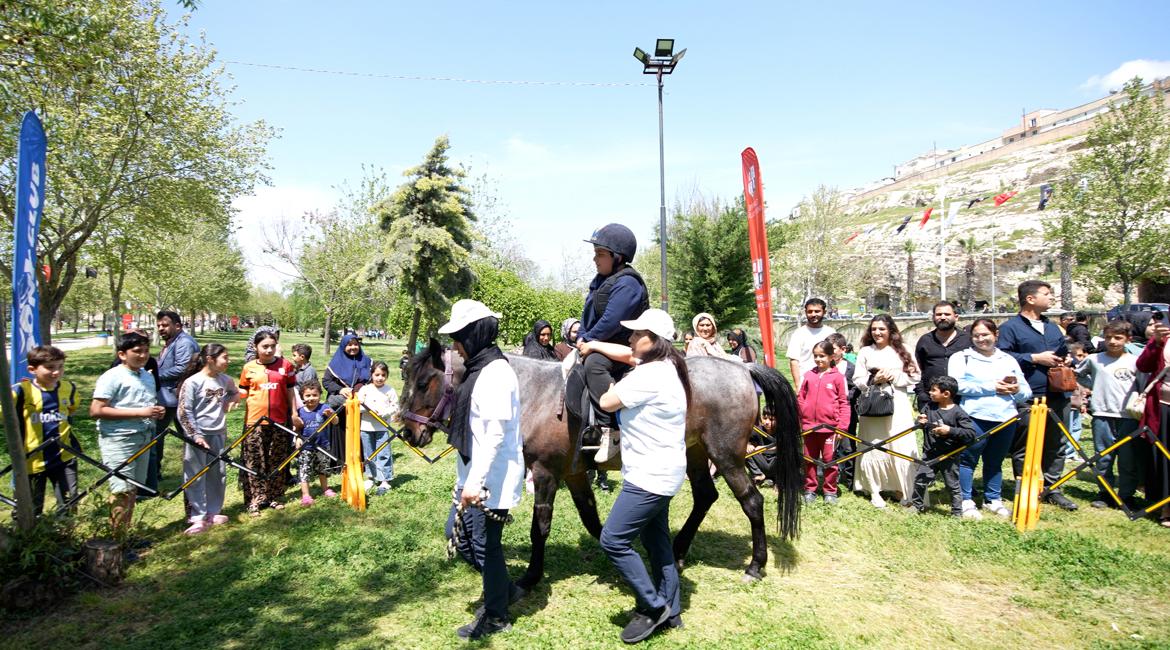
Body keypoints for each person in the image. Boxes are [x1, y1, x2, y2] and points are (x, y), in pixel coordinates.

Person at [582, 308, 686, 643]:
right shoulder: (668, 366)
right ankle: (672, 610)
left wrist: (599, 369)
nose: (629, 338)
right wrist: (598, 345)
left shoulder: (648, 376)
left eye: (635, 333)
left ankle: (653, 606)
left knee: (613, 539)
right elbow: (629, 355)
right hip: (666, 471)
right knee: (657, 542)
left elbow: (608, 401)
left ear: (653, 340)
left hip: (649, 477)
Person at [438, 299, 525, 640]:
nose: (455, 346)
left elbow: (492, 435)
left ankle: (497, 614)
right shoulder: (479, 368)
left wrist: (473, 484)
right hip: (475, 474)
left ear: (473, 335)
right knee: (457, 536)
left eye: (459, 338)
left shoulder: (495, 374)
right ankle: (505, 589)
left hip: (491, 477)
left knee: (486, 544)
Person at [996, 280, 1077, 511]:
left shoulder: (1052, 327)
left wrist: (1067, 359)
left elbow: (1062, 351)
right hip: (1029, 395)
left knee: (1057, 443)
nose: (1051, 298)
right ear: (1030, 299)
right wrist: (1034, 358)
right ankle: (1026, 487)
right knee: (1025, 445)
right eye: (1047, 294)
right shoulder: (1011, 327)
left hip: (1058, 393)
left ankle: (1053, 489)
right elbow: (1003, 355)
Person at [575, 223, 650, 463]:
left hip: (628, 346)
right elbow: (589, 315)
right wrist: (581, 336)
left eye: (600, 254)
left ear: (618, 257)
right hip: (602, 341)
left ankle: (612, 430)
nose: (595, 259)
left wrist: (589, 340)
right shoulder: (600, 281)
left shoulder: (628, 283)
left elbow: (611, 321)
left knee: (594, 364)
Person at [948, 318, 1031, 518]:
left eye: (985, 334)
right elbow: (957, 385)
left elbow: (1026, 391)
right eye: (976, 335)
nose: (980, 339)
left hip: (1005, 417)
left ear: (995, 335)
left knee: (995, 460)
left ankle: (993, 498)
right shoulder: (962, 358)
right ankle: (966, 499)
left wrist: (1016, 389)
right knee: (968, 460)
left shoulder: (1008, 360)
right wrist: (992, 387)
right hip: (975, 416)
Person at [90, 331, 165, 536]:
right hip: (119, 439)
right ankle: (116, 538)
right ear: (122, 354)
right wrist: (140, 413)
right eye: (137, 351)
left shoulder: (147, 376)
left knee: (133, 489)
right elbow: (97, 410)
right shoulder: (112, 376)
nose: (143, 356)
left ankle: (126, 535)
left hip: (144, 437)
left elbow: (145, 405)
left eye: (146, 351)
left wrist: (155, 412)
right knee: (121, 490)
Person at [853, 315, 920, 508]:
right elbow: (858, 378)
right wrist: (874, 379)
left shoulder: (904, 350)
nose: (877, 332)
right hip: (873, 404)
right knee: (873, 445)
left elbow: (915, 376)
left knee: (901, 444)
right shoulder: (866, 351)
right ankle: (874, 490)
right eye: (874, 329)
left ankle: (903, 489)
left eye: (881, 329)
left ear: (890, 330)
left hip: (897, 402)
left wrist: (894, 376)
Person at [1075, 320, 1140, 509]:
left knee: (1128, 459)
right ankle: (1105, 493)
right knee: (1103, 457)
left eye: (1118, 338)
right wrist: (1092, 386)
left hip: (1128, 416)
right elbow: (1078, 374)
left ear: (1128, 340)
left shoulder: (1135, 362)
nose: (1112, 341)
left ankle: (1126, 495)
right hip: (1102, 414)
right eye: (1108, 337)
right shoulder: (1095, 360)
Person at [176, 343, 238, 534]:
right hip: (198, 435)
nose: (228, 361)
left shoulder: (224, 380)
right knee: (195, 475)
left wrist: (231, 401)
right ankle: (197, 516)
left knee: (217, 474)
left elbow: (235, 392)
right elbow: (184, 411)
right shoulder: (193, 382)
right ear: (210, 359)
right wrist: (195, 435)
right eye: (225, 357)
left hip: (218, 432)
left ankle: (213, 511)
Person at [12, 345, 79, 516]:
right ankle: (29, 537)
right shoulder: (20, 391)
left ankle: (65, 534)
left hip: (64, 456)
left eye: (60, 366)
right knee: (31, 507)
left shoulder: (69, 388)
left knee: (69, 501)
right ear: (32, 369)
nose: (56, 372)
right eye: (50, 368)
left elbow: (71, 409)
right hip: (31, 459)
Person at [237, 330, 298, 516]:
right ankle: (254, 499)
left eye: (272, 346)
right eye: (265, 346)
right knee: (254, 461)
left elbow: (290, 392)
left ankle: (275, 496)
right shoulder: (249, 368)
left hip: (279, 421)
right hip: (255, 422)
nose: (269, 350)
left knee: (277, 460)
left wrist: (294, 413)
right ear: (256, 347)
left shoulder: (286, 366)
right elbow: (242, 393)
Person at [910, 376, 978, 517]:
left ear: (946, 394)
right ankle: (916, 506)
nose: (930, 392)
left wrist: (950, 430)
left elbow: (970, 433)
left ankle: (957, 512)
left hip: (949, 455)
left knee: (952, 485)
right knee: (921, 479)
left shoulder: (958, 413)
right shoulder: (930, 406)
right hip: (930, 453)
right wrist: (921, 420)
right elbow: (923, 418)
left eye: (934, 390)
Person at [149, 310, 199, 496]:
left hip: (176, 398)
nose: (161, 328)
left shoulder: (184, 342)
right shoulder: (173, 342)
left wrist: (154, 376)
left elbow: (183, 368)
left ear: (177, 326)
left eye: (165, 325)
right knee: (159, 437)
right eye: (159, 325)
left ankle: (197, 470)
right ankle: (154, 474)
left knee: (188, 435)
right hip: (167, 398)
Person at [797, 340, 849, 503]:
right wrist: (800, 419)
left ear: (831, 356)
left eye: (822, 356)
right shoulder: (808, 375)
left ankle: (830, 491)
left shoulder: (839, 378)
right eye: (816, 356)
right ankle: (810, 489)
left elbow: (844, 403)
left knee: (829, 461)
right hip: (809, 428)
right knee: (809, 459)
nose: (818, 359)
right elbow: (800, 399)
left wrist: (842, 427)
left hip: (829, 429)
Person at [1136, 314, 1170, 527]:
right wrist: (1156, 343)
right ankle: (1167, 508)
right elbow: (1144, 366)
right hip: (1165, 406)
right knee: (1165, 456)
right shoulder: (1163, 338)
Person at [323, 334, 373, 470]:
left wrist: (361, 389)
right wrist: (340, 389)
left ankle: (360, 461)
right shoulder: (335, 363)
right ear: (343, 346)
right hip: (341, 408)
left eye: (355, 344)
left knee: (360, 433)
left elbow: (373, 381)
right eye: (349, 345)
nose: (353, 347)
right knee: (342, 432)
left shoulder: (367, 361)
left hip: (360, 406)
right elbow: (326, 382)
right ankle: (340, 463)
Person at [913, 302, 971, 409]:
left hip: (962, 401)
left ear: (956, 317)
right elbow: (916, 370)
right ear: (933, 317)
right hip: (930, 401)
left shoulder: (967, 340)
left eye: (947, 314)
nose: (943, 317)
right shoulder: (925, 341)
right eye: (939, 314)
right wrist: (921, 394)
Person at [358, 361, 399, 495]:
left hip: (382, 428)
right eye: (377, 375)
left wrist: (384, 412)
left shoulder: (390, 390)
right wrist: (368, 410)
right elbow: (358, 406)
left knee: (383, 453)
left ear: (387, 376)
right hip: (366, 427)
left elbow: (395, 407)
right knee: (369, 454)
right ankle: (371, 477)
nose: (380, 378)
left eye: (383, 375)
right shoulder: (365, 389)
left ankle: (385, 480)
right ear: (371, 375)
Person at [827, 333, 860, 492]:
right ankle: (832, 475)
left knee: (847, 446)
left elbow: (856, 387)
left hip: (848, 413)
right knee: (830, 446)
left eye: (833, 349)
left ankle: (851, 477)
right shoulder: (825, 367)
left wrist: (845, 397)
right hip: (828, 413)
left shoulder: (851, 368)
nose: (830, 352)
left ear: (843, 349)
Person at [295, 381, 337, 506]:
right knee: (304, 470)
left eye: (315, 395)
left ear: (320, 395)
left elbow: (336, 422)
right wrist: (297, 438)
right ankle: (306, 495)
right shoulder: (300, 411)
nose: (311, 398)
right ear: (302, 396)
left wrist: (331, 416)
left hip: (322, 446)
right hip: (306, 447)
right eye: (308, 395)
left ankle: (325, 489)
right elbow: (297, 428)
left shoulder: (324, 408)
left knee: (322, 469)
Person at [787, 298, 836, 386]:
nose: (813, 314)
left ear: (824, 312)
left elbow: (835, 357)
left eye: (817, 311)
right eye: (810, 311)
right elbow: (794, 361)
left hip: (828, 383)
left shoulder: (831, 332)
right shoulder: (799, 333)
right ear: (805, 312)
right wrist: (798, 385)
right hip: (805, 383)